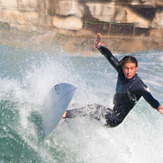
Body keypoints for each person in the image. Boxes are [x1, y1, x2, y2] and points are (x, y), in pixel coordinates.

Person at [62, 33, 163, 127]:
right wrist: (100, 47)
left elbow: (149, 97)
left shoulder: (139, 86)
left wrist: (157, 106)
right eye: (126, 68)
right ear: (122, 67)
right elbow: (110, 57)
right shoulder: (121, 72)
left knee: (93, 108)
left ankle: (66, 114)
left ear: (136, 68)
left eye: (131, 68)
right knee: (85, 105)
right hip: (110, 111)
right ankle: (66, 117)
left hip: (115, 119)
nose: (128, 71)